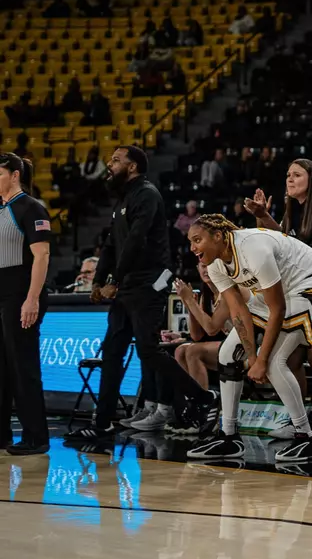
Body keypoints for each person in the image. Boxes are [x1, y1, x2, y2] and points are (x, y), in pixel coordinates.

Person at [65, 146, 218, 441]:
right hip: (129, 285)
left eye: (115, 160)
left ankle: (202, 398)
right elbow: (111, 243)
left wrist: (115, 280)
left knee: (148, 349)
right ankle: (103, 424)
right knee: (112, 352)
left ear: (132, 166)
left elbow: (136, 239)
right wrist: (98, 281)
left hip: (150, 282)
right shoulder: (123, 198)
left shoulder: (147, 194)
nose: (110, 164)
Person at [184, 215, 312, 463]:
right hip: (276, 292)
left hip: (307, 283)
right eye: (190, 242)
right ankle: (229, 437)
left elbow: (278, 309)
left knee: (273, 363)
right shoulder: (216, 265)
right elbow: (239, 313)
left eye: (197, 240)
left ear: (218, 236)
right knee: (227, 355)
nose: (192, 248)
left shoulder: (253, 249)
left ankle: (307, 438)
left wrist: (261, 360)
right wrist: (251, 357)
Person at [243, 159, 312, 446]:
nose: (289, 179)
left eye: (296, 174)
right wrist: (264, 217)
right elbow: (285, 242)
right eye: (287, 174)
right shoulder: (293, 208)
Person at [0, 153, 51, 454]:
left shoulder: (31, 208)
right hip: (2, 294)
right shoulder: (2, 209)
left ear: (15, 175)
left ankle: (36, 437)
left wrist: (31, 299)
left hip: (20, 295)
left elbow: (42, 256)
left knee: (23, 366)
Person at [170, 265, 233, 413]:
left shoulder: (227, 292)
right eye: (202, 267)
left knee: (193, 351)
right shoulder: (207, 295)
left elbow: (211, 329)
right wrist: (189, 305)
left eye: (210, 266)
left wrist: (191, 303)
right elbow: (196, 335)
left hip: (244, 345)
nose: (206, 270)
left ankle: (204, 407)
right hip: (227, 345)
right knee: (180, 350)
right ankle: (191, 402)